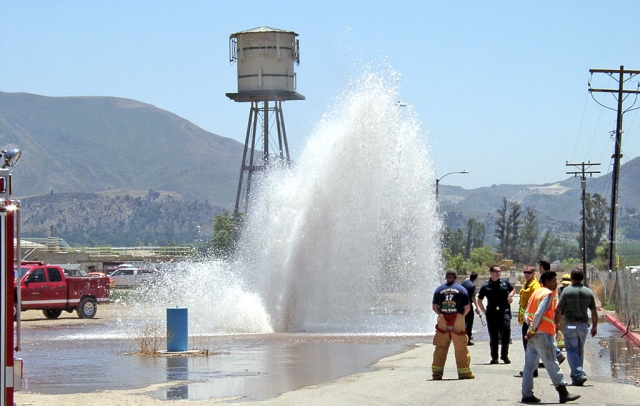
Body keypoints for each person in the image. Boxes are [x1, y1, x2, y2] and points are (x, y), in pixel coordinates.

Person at [521, 271, 580, 404]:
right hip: (542, 335)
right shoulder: (547, 294)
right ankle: (563, 392)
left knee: (529, 366)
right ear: (547, 281)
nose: (556, 283)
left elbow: (526, 313)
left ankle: (526, 394)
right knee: (552, 363)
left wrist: (530, 327)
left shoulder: (535, 293)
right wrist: (533, 328)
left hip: (534, 335)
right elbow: (539, 314)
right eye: (554, 280)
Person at [555, 268, 598, 386]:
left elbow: (559, 309)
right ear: (582, 278)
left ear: (572, 278)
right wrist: (594, 326)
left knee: (571, 350)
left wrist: (556, 323)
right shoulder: (588, 292)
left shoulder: (567, 291)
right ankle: (576, 377)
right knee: (579, 350)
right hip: (583, 326)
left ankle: (579, 373)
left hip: (570, 325)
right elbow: (594, 311)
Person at [431, 269, 474, 380]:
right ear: (455, 277)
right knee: (460, 347)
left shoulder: (439, 290)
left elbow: (434, 307)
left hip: (443, 319)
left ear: (446, 277)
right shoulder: (462, 290)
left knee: (440, 346)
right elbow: (467, 308)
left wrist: (441, 315)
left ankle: (437, 373)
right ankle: (464, 373)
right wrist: (460, 317)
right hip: (458, 318)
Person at [478, 265, 515, 364]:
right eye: (496, 271)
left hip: (504, 312)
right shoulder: (486, 286)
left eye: (499, 271)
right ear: (490, 272)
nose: (498, 273)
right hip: (492, 313)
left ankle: (504, 356)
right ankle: (494, 357)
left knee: (506, 333)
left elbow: (513, 289)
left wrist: (510, 295)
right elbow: (479, 300)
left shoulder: (505, 282)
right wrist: (485, 312)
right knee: (493, 336)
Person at [538, 260, 566, 365]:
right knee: (546, 336)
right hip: (551, 309)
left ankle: (557, 354)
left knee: (546, 336)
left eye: (539, 267)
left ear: (542, 267)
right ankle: (553, 356)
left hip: (548, 311)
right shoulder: (551, 279)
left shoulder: (546, 280)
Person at [516, 266, 541, 378]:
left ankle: (531, 370)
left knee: (530, 348)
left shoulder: (534, 286)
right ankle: (532, 369)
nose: (526, 274)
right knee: (528, 347)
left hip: (530, 321)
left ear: (534, 273)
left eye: (529, 273)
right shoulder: (527, 284)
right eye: (525, 272)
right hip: (526, 320)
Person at [461, 271, 479, 345]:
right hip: (468, 305)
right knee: (469, 323)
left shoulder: (464, 282)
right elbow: (473, 297)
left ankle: (461, 338)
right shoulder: (472, 285)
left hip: (461, 305)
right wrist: (477, 307)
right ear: (475, 278)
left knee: (463, 322)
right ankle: (467, 339)